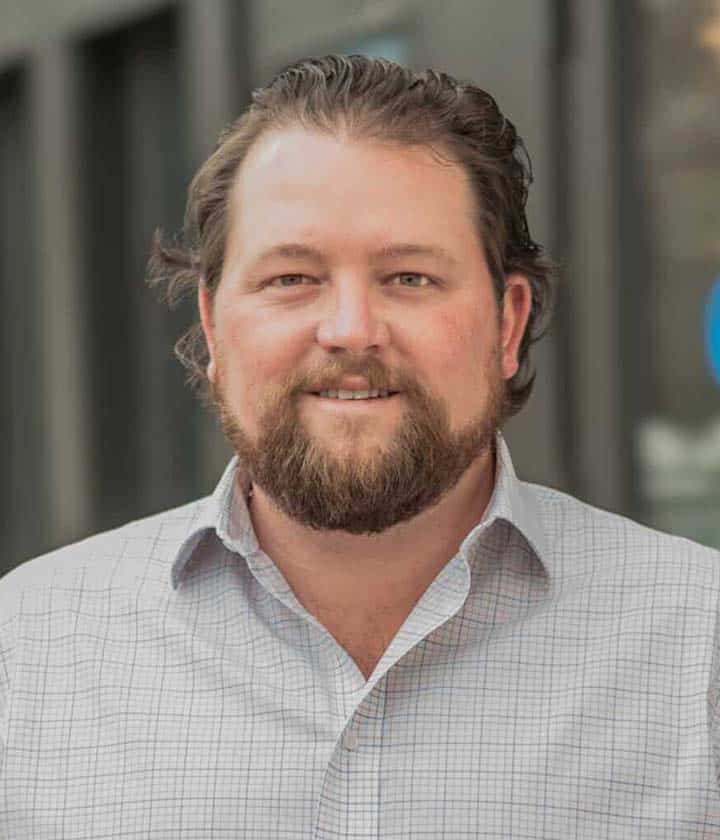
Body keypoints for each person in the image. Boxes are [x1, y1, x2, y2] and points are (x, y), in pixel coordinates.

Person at [1, 54, 719, 838]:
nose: (349, 330)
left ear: (508, 324)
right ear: (212, 327)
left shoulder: (699, 648)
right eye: (291, 278)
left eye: (408, 278)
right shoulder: (29, 652)